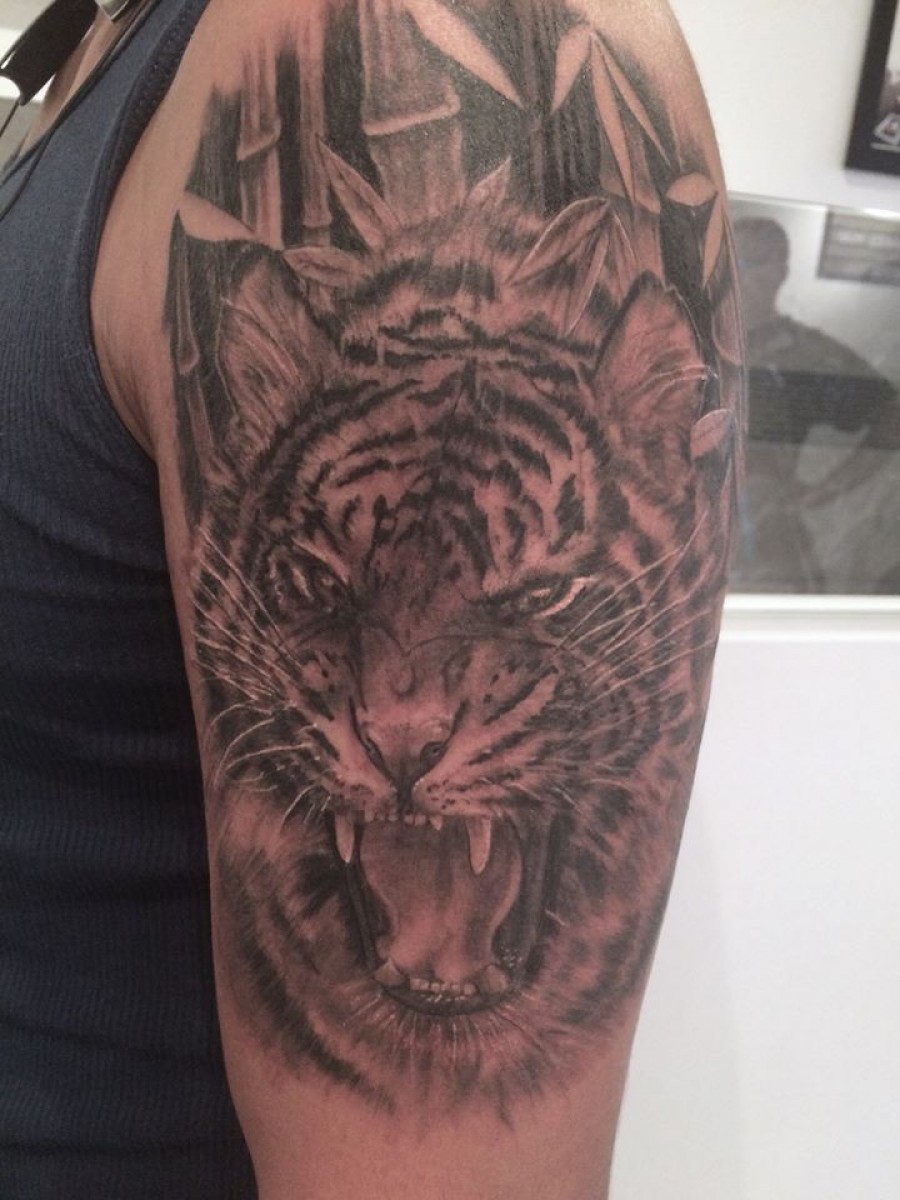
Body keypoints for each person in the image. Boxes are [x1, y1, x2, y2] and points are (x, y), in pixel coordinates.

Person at [0, 1, 742, 1196]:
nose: (401, 713)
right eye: (320, 585)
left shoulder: (399, 24)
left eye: (530, 591)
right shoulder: (99, 41)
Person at [731, 216, 899, 592]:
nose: (740, 275)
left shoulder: (805, 354)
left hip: (765, 550)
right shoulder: (674, 332)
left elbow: (892, 416)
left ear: (780, 270)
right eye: (733, 262)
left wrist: (827, 489)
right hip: (667, 535)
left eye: (753, 262)